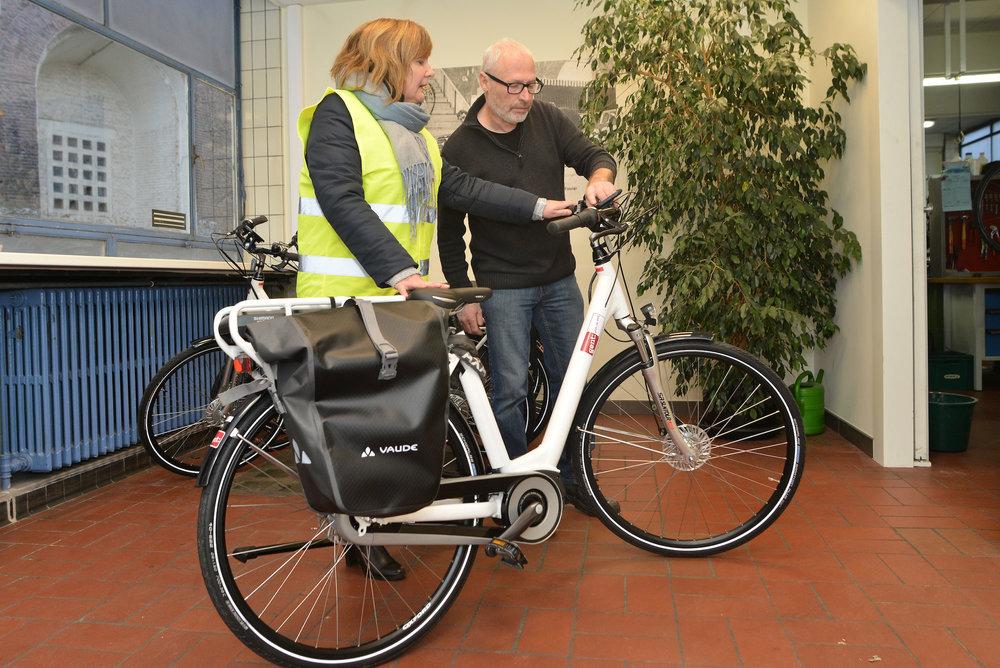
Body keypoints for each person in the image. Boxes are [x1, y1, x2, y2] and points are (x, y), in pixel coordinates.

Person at [297, 20, 573, 581]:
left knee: (394, 424)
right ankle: (361, 535)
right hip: (348, 304)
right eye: (421, 62)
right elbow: (341, 198)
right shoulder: (338, 114)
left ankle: (387, 519)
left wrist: (540, 208)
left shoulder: (416, 133)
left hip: (397, 305)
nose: (428, 72)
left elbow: (464, 190)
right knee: (360, 430)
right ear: (390, 63)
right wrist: (399, 270)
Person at [437, 39, 618, 515]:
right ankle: (514, 487)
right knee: (511, 389)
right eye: (514, 85)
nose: (524, 96)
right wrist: (465, 296)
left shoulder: (547, 119)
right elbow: (449, 234)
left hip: (559, 280)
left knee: (571, 383)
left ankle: (577, 483)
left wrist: (599, 178)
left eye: (531, 84)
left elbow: (593, 153)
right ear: (485, 82)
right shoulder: (458, 147)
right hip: (503, 287)